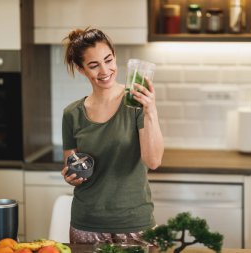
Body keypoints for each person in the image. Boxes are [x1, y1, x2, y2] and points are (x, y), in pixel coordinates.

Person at [60, 26, 164, 244]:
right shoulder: (72, 114)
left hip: (135, 223)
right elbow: (72, 165)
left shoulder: (136, 103)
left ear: (115, 58)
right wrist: (70, 177)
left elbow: (153, 161)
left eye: (108, 60)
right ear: (82, 70)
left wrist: (151, 111)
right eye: (94, 65)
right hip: (87, 224)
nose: (104, 70)